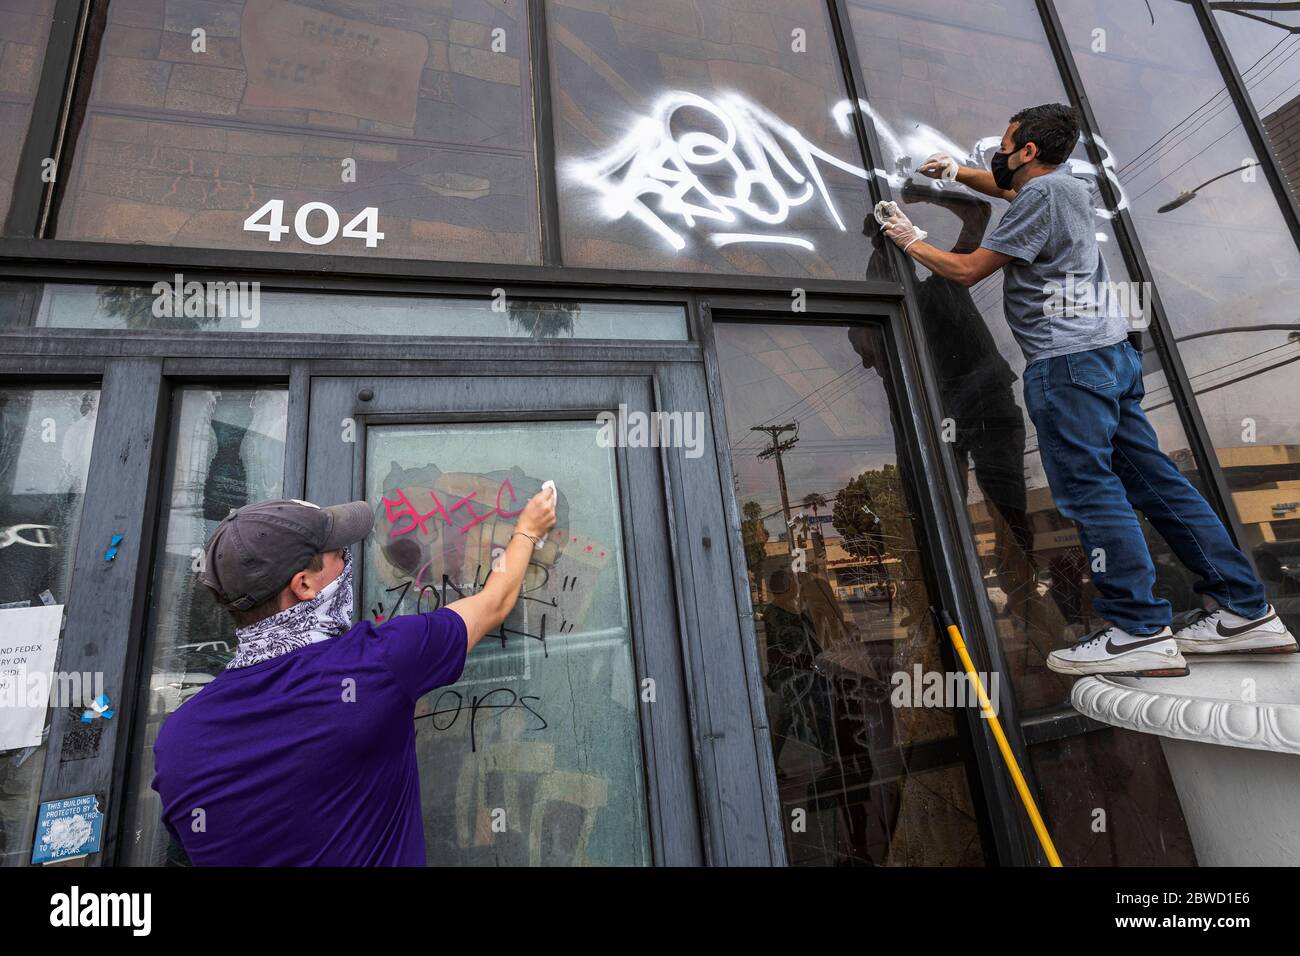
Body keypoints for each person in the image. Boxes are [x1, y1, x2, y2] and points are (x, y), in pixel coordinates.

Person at [880, 102, 1296, 677]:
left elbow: (969, 270)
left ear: (1027, 151)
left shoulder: (1040, 197)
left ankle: (1139, 627)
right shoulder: (1065, 188)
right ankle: (1245, 611)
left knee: (1090, 492)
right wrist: (951, 175)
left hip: (1067, 364)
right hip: (1108, 359)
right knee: (1160, 485)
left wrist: (909, 239)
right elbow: (1005, 190)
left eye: (1004, 145)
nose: (995, 155)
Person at [151, 491, 557, 865]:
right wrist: (526, 532)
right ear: (304, 584)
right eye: (337, 555)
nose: (347, 561)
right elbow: (494, 602)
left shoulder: (177, 741)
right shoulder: (376, 664)